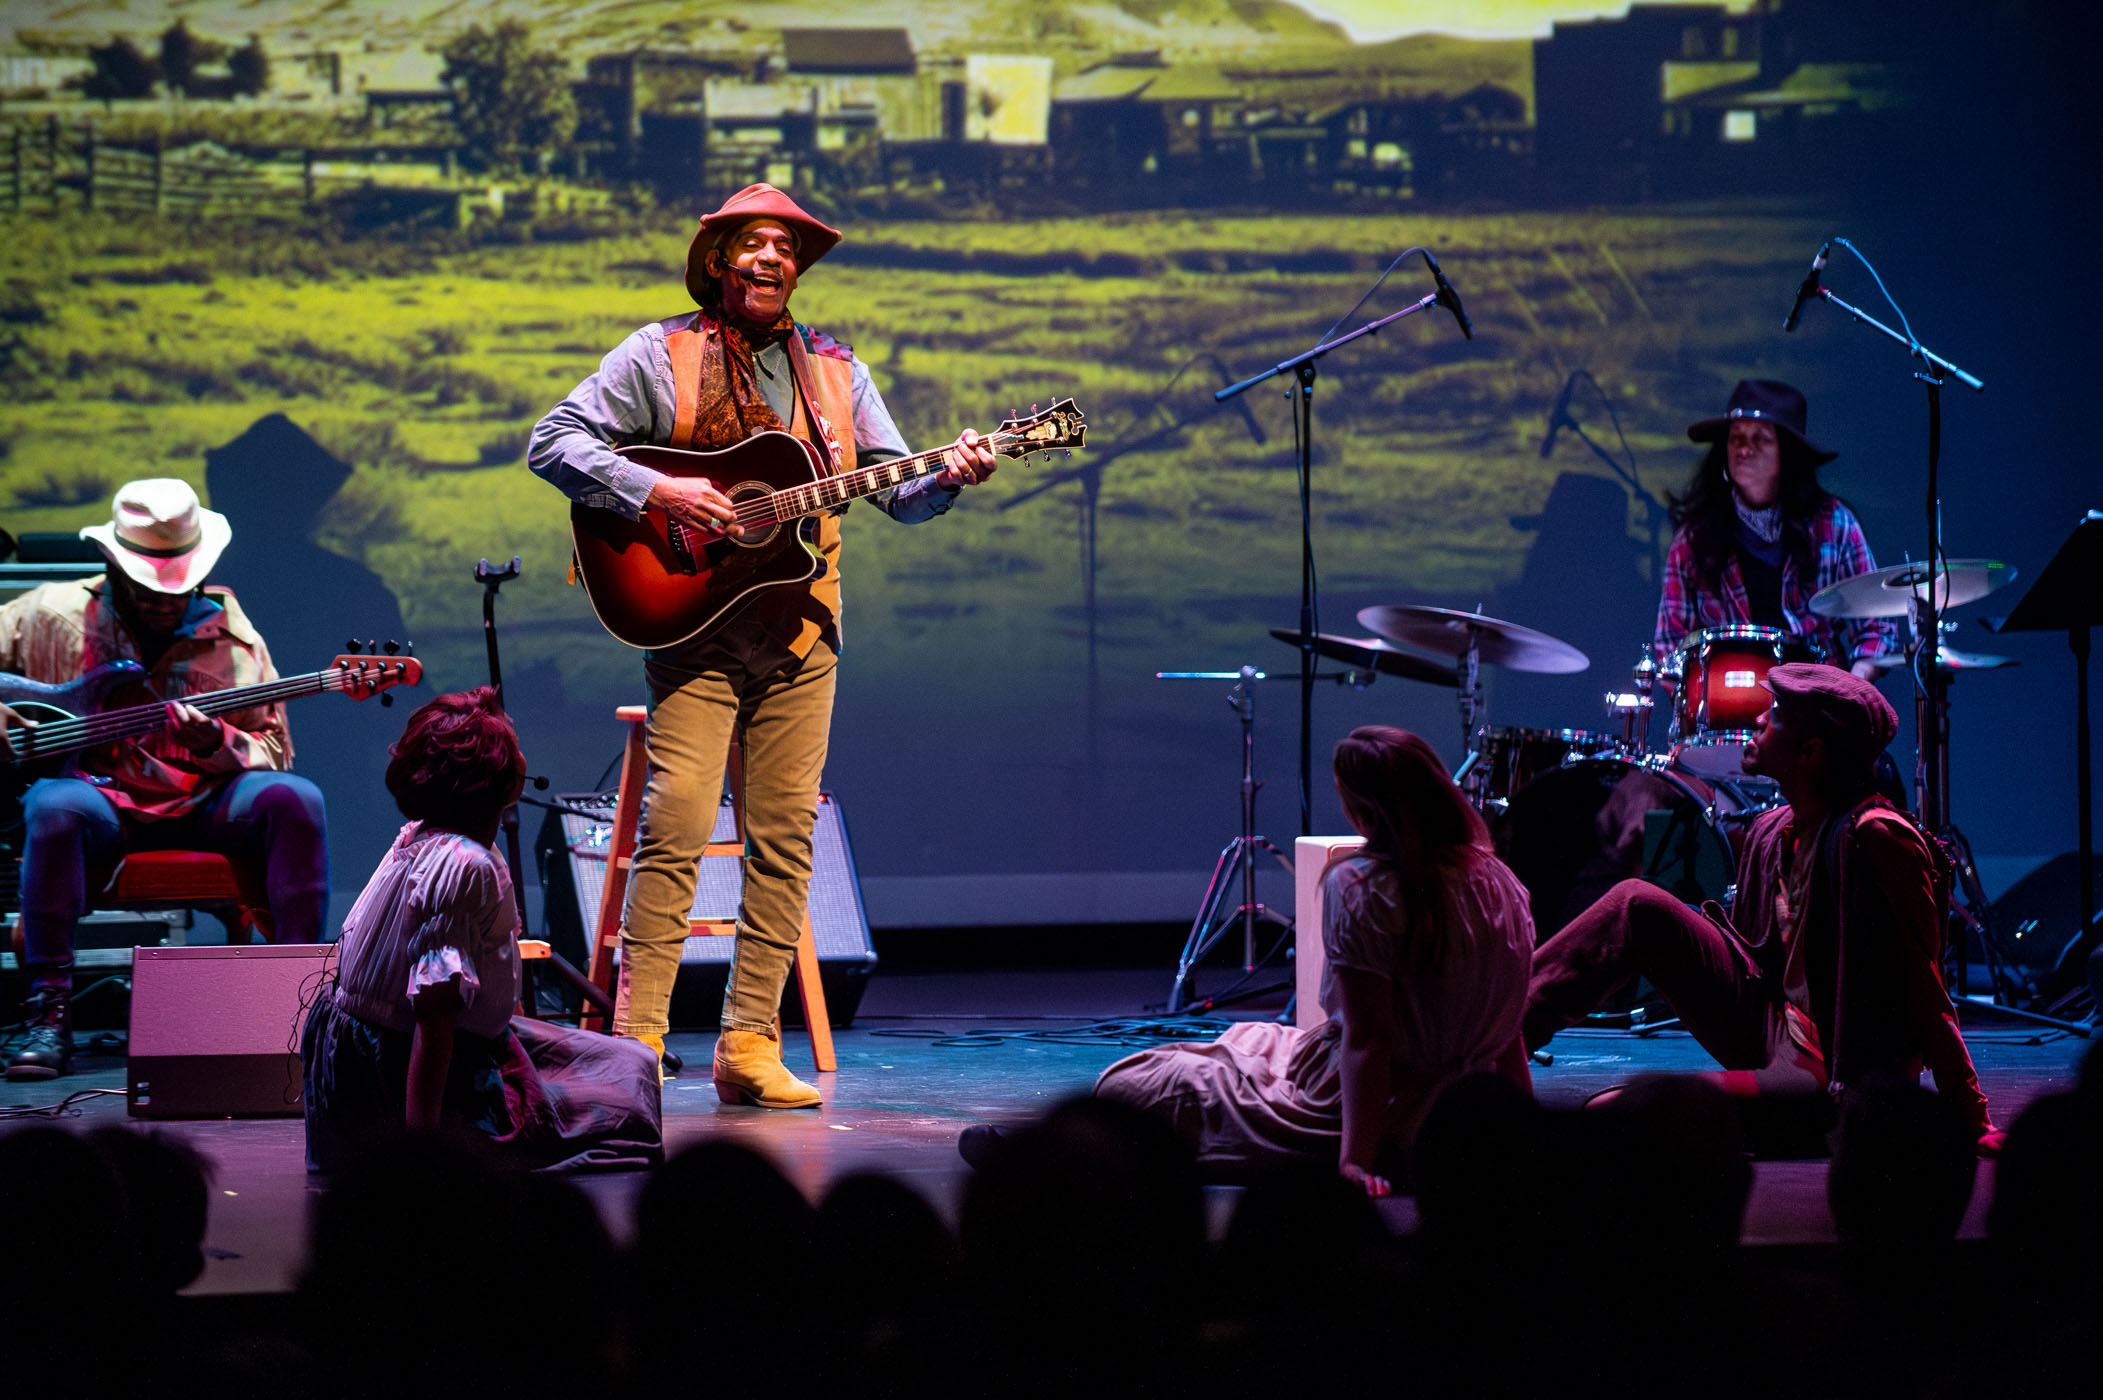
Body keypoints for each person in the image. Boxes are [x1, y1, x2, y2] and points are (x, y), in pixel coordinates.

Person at [528, 183, 998, 1108]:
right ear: (718, 261)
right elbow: (555, 440)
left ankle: (747, 1044)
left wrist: (951, 475)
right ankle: (636, 1042)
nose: (772, 258)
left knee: (786, 842)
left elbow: (895, 491)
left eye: (786, 247)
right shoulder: (658, 354)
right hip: (693, 627)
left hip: (801, 631)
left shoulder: (835, 372)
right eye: (753, 243)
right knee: (676, 827)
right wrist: (661, 494)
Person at [1523, 663, 2000, 1151]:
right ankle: (1495, 1035)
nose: (1756, 721)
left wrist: (1971, 1119)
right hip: (1772, 1026)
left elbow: (1926, 987)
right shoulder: (1777, 830)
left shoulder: (1877, 838)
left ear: (1810, 752)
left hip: (1829, 1076)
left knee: (1616, 1112)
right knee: (1636, 903)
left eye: (1773, 716)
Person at [1093, 726, 1537, 1194]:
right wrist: (1524, 1129)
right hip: (1462, 1100)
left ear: (1364, 807)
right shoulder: (1501, 880)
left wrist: (1356, 1162)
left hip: (1370, 1103)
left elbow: (1370, 1039)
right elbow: (1509, 1029)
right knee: (1252, 1037)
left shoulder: (1365, 888)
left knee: (1124, 1086)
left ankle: (1379, 1141)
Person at [0, 479, 327, 1079]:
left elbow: (275, 749)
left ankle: (300, 1004)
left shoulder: (235, 639)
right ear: (113, 565)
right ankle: (47, 1014)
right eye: (146, 587)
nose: (160, 601)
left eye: (171, 589)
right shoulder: (48, 614)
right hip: (99, 798)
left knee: (295, 799)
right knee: (52, 806)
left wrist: (217, 742)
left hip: (204, 798)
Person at [301, 687, 662, 1172]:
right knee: (625, 1109)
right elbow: (434, 1018)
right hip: (398, 1075)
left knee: (628, 1059)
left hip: (382, 1052)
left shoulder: (420, 835)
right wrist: (423, 1154)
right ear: (507, 783)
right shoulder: (465, 865)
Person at [1655, 379, 1896, 679]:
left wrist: (1848, 691)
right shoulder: (1693, 539)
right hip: (1730, 710)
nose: (1744, 449)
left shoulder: (1834, 524)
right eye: (1736, 437)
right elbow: (1670, 644)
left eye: (1760, 439)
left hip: (1819, 707)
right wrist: (1698, 703)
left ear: (1787, 452)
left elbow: (1877, 628)